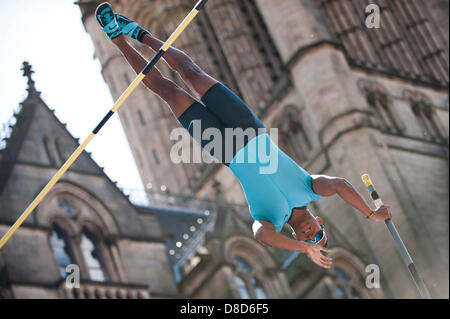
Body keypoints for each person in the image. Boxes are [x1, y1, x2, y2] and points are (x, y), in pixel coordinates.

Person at [95, 3, 392, 269]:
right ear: (320, 222)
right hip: (248, 127)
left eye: (311, 241)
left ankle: (117, 38)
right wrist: (370, 213)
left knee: (168, 92)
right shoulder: (311, 188)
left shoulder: (270, 218)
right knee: (191, 72)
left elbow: (260, 235)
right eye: (318, 235)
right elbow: (340, 185)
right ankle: (140, 34)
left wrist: (303, 249)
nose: (311, 236)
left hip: (223, 148)